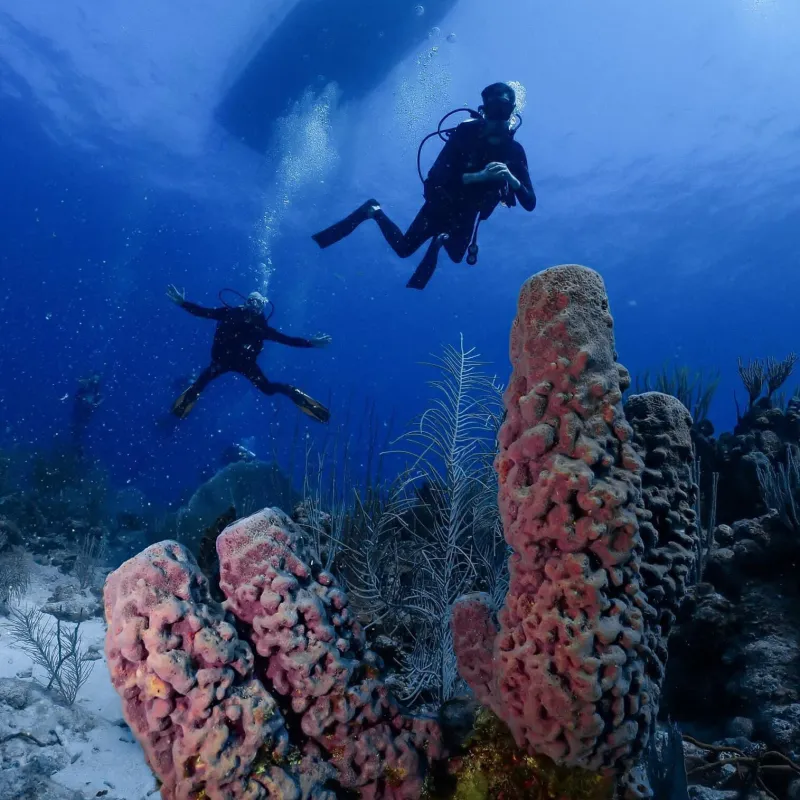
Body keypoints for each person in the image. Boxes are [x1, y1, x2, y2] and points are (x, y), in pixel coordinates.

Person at [311, 82, 536, 290]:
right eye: (493, 111)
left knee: (457, 257)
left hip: (468, 212)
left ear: (512, 113)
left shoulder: (514, 152)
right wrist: (479, 176)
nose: (497, 119)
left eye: (503, 111)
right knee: (404, 249)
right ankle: (374, 210)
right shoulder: (467, 133)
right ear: (484, 110)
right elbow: (438, 175)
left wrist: (511, 179)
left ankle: (440, 239)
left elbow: (530, 203)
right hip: (440, 202)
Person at [166, 286, 332, 423]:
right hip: (244, 364)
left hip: (223, 361)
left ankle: (192, 394)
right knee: (267, 388)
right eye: (253, 301)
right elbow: (288, 340)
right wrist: (310, 343)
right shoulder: (259, 326)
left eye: (257, 302)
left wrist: (183, 303)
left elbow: (203, 312)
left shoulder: (231, 315)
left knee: (204, 379)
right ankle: (290, 391)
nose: (254, 305)